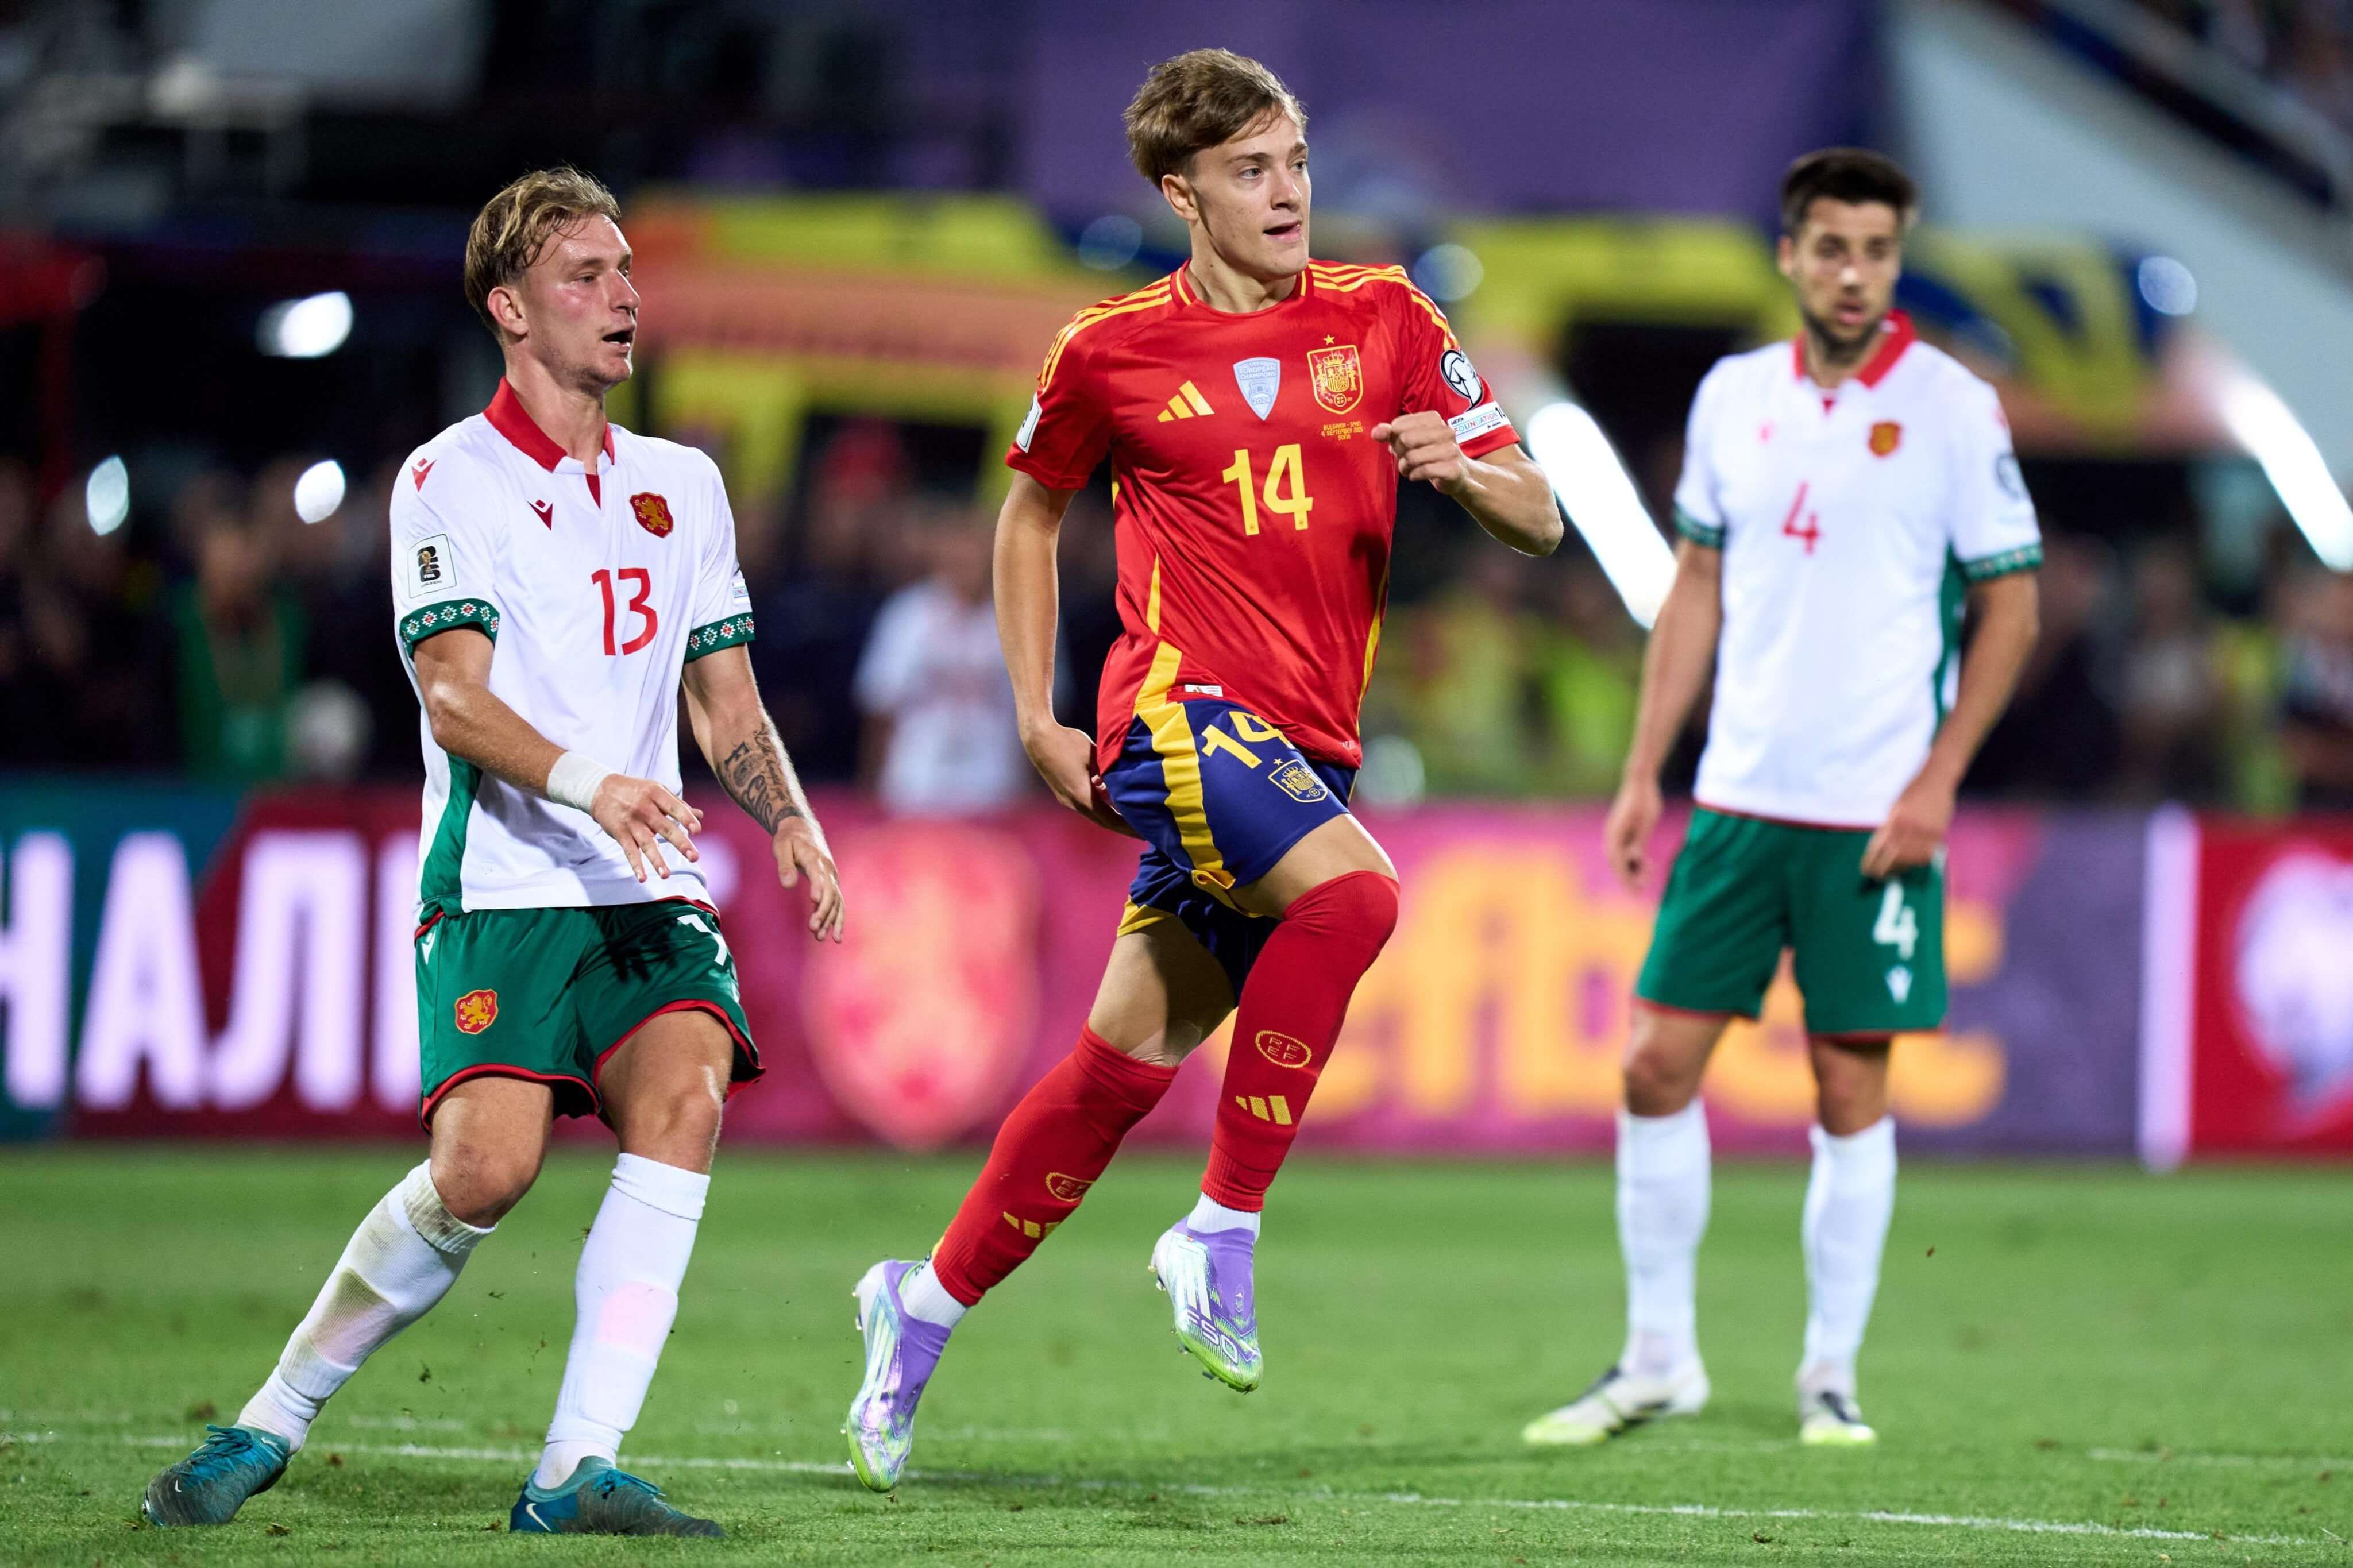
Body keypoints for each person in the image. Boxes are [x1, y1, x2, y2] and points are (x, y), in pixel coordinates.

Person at [842, 48, 1562, 1492]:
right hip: (1176, 715)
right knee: (1355, 905)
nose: (1287, 191)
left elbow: (1538, 517)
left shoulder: (1391, 319)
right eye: (1251, 170)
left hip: (1304, 751)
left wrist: (1462, 470)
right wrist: (1043, 715)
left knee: (1119, 1068)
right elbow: (1029, 520)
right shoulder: (1108, 352)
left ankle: (910, 1319)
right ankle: (1219, 1230)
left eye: (1293, 161)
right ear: (1182, 191)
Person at [141, 166, 844, 1536]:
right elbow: (452, 697)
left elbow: (726, 700)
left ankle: (576, 1467)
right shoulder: (443, 480)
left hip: (643, 884)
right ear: (510, 310)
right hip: (507, 884)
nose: (624, 295)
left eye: (627, 269)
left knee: (687, 1093)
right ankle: (271, 1420)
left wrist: (792, 821)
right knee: (485, 1175)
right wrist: (595, 784)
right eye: (587, 276)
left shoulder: (682, 486)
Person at [1521, 149, 2041, 1450]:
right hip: (1738, 801)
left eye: (1876, 249)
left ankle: (1827, 1375)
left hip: (1873, 816)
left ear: (1896, 258)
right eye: (1831, 247)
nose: (1853, 272)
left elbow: (2012, 602)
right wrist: (1647, 767)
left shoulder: (1954, 409)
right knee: (1653, 1066)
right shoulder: (1733, 397)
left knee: (1846, 1091)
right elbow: (1694, 584)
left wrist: (1937, 780)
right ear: (1789, 256)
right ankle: (1656, 1360)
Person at [854, 504, 1034, 813]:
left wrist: (1032, 800)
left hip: (995, 791)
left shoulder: (1026, 617)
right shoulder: (907, 613)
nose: (967, 559)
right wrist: (870, 794)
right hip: (914, 787)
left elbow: (1040, 722)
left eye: (976, 549)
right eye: (958, 548)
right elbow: (880, 712)